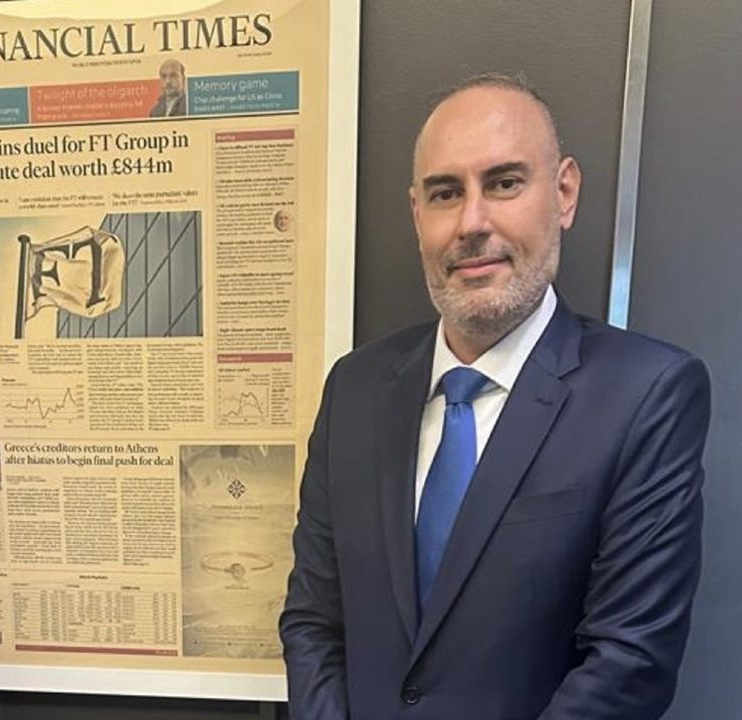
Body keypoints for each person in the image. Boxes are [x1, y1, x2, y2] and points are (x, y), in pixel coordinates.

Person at [279, 73, 711, 718]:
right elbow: (314, 622)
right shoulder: (355, 390)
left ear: (564, 193)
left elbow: (630, 662)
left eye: (505, 183)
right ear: (417, 214)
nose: (472, 223)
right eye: (445, 193)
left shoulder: (646, 395)